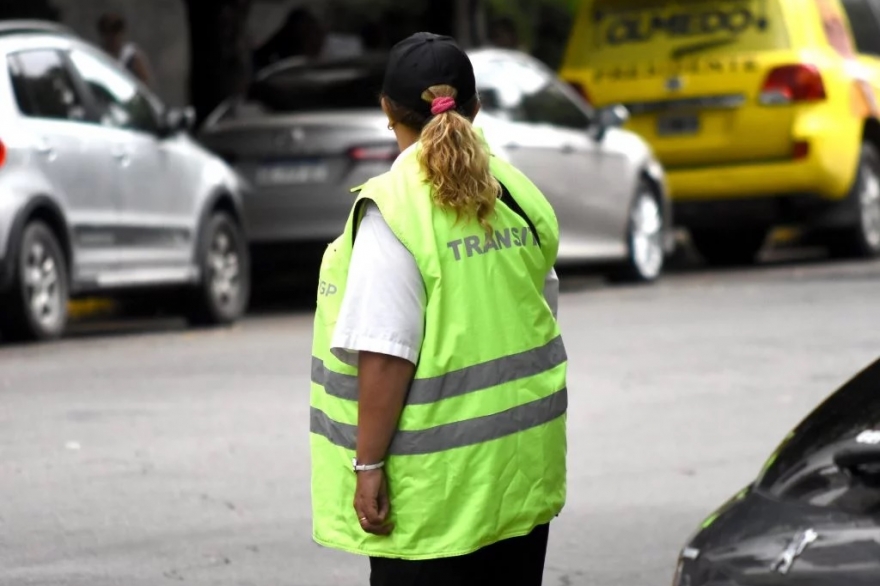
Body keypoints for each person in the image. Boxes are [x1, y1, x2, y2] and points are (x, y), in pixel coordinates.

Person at [309, 32, 567, 586]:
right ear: (476, 108)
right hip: (518, 477)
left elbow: (385, 353)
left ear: (386, 111)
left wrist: (368, 465)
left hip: (435, 494)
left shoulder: (393, 208)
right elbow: (539, 309)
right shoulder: (517, 195)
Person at [96, 13, 153, 86]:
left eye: (116, 30)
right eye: (108, 31)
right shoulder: (98, 55)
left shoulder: (131, 55)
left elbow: (145, 81)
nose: (112, 36)